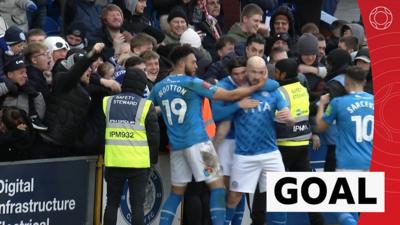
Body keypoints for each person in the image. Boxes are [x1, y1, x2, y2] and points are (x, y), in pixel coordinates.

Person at [149, 45, 267, 225]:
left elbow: (148, 110)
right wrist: (257, 86)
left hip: (177, 147)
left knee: (176, 193)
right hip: (200, 144)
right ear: (182, 62)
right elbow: (230, 95)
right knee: (218, 188)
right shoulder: (192, 82)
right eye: (193, 62)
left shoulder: (158, 87)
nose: (196, 66)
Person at [225, 56, 293, 225]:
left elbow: (287, 114)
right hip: (244, 154)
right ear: (247, 71)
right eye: (254, 72)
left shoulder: (273, 90)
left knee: (280, 195)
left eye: (262, 72)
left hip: (270, 153)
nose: (258, 75)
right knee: (234, 197)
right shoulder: (237, 90)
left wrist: (289, 118)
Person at [316, 66, 374, 225]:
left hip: (348, 162)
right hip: (371, 161)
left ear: (346, 81)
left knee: (340, 205)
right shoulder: (376, 101)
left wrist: (321, 105)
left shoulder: (338, 102)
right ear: (363, 81)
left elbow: (321, 127)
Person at [103, 67, 159, 225]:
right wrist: (152, 161)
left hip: (113, 161)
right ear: (142, 85)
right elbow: (154, 137)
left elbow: (102, 131)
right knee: (137, 206)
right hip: (138, 164)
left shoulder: (108, 102)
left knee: (111, 204)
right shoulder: (146, 106)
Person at [274, 58, 325, 225]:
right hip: (302, 144)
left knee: (271, 189)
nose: (275, 74)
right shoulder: (302, 89)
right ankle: (318, 222)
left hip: (283, 144)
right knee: (308, 191)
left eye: (276, 71)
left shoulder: (279, 91)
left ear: (282, 74)